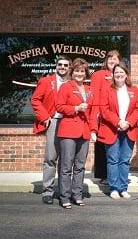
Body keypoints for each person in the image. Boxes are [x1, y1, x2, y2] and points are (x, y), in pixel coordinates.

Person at [97, 63, 138, 199]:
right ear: (113, 74)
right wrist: (118, 122)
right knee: (112, 160)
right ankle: (114, 188)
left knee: (124, 160)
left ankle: (123, 188)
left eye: (121, 72)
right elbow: (104, 109)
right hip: (112, 129)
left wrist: (128, 123)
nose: (119, 74)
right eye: (116, 72)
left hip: (129, 129)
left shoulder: (134, 90)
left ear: (126, 74)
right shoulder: (107, 89)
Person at [31, 55, 71, 205]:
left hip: (68, 122)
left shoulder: (72, 83)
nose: (62, 67)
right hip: (53, 121)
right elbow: (35, 100)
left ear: (69, 67)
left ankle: (63, 191)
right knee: (51, 158)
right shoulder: (46, 81)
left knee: (66, 160)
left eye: (65, 65)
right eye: (60, 64)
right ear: (56, 66)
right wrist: (45, 116)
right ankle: (48, 191)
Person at [56, 58, 92, 209]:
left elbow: (93, 111)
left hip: (84, 131)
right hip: (69, 130)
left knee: (80, 166)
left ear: (85, 73)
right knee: (66, 165)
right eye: (77, 70)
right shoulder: (66, 86)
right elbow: (59, 106)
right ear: (72, 72)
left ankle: (77, 195)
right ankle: (64, 196)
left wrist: (93, 130)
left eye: (82, 71)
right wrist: (76, 108)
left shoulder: (89, 89)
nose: (79, 73)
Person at [90, 50, 121, 185]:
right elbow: (94, 95)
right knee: (103, 145)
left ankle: (117, 174)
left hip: (119, 115)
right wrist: (95, 114)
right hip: (102, 114)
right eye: (109, 58)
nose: (112, 61)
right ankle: (104, 175)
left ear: (119, 61)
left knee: (118, 145)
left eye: (115, 59)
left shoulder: (121, 74)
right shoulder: (98, 75)